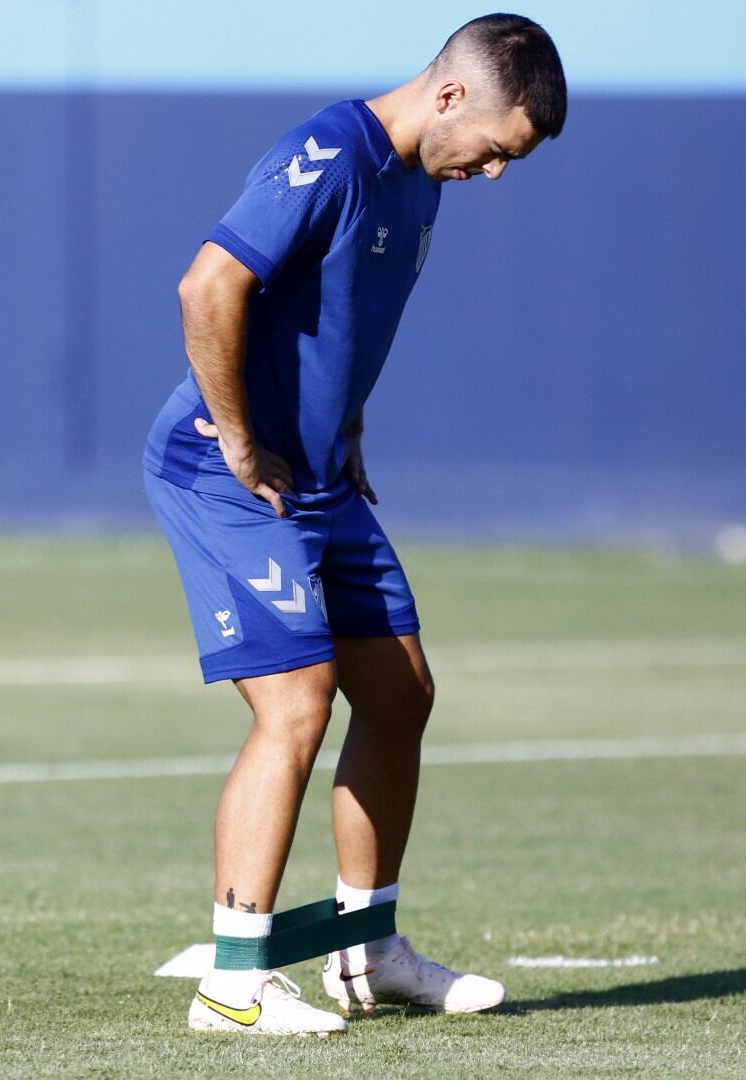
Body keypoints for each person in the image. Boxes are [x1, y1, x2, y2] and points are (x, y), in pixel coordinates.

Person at [142, 13, 567, 1037]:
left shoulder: (425, 179)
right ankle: (234, 986)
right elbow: (209, 285)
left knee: (402, 693)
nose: (495, 174)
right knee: (296, 705)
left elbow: (341, 310)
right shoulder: (327, 156)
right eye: (498, 150)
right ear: (453, 97)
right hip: (229, 469)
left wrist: (348, 419)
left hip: (321, 473)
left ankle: (364, 953)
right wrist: (243, 443)